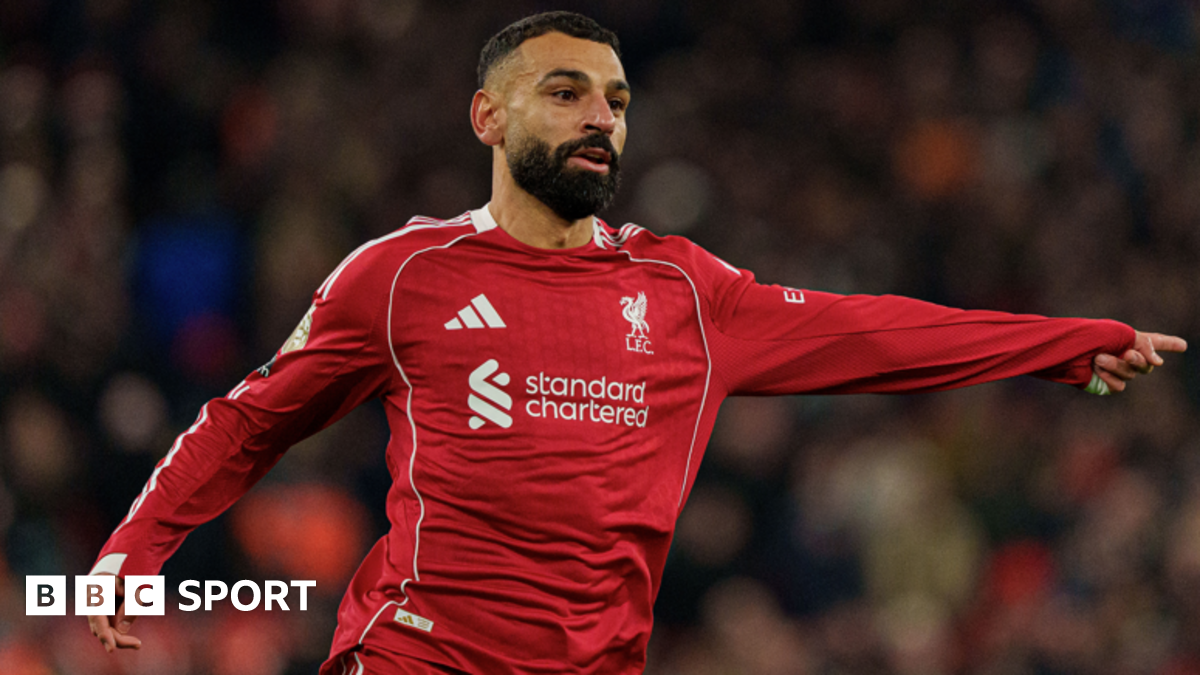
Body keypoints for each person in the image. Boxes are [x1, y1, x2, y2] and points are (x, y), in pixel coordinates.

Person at [87, 11, 1186, 674]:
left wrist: (1060, 345)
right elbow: (245, 421)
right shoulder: (402, 276)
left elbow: (875, 332)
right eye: (565, 93)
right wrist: (127, 562)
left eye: (614, 99)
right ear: (488, 119)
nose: (600, 118)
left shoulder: (684, 293)